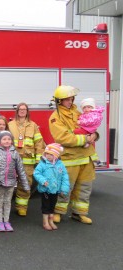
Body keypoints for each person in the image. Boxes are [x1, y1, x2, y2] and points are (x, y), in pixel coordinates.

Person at [49, 85, 98, 224]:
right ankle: (58, 212)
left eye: (71, 98)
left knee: (84, 187)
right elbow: (62, 137)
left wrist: (95, 135)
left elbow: (90, 127)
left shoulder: (78, 113)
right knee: (65, 187)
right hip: (70, 159)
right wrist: (85, 139)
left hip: (86, 157)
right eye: (67, 99)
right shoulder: (56, 117)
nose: (70, 101)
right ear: (59, 101)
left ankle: (79, 213)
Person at [8, 103, 46, 217]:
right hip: (12, 159)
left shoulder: (33, 125)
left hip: (27, 160)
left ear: (27, 111)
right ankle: (6, 207)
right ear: (17, 111)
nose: (22, 111)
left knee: (26, 184)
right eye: (20, 109)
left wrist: (39, 159)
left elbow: (39, 143)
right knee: (7, 183)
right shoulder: (10, 125)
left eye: (24, 109)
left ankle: (21, 207)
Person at [0, 131, 30, 232]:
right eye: (4, 139)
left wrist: (25, 185)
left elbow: (20, 170)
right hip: (0, 183)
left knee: (8, 202)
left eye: (9, 139)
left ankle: (6, 221)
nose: (7, 141)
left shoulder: (15, 153)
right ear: (0, 141)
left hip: (11, 182)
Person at [33, 143, 70, 231]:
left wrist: (64, 188)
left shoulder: (60, 165)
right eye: (47, 154)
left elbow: (65, 177)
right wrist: (42, 181)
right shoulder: (42, 164)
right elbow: (36, 173)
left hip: (56, 190)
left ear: (56, 156)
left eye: (51, 154)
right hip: (45, 189)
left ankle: (51, 221)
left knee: (52, 206)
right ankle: (45, 222)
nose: (48, 156)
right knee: (46, 206)